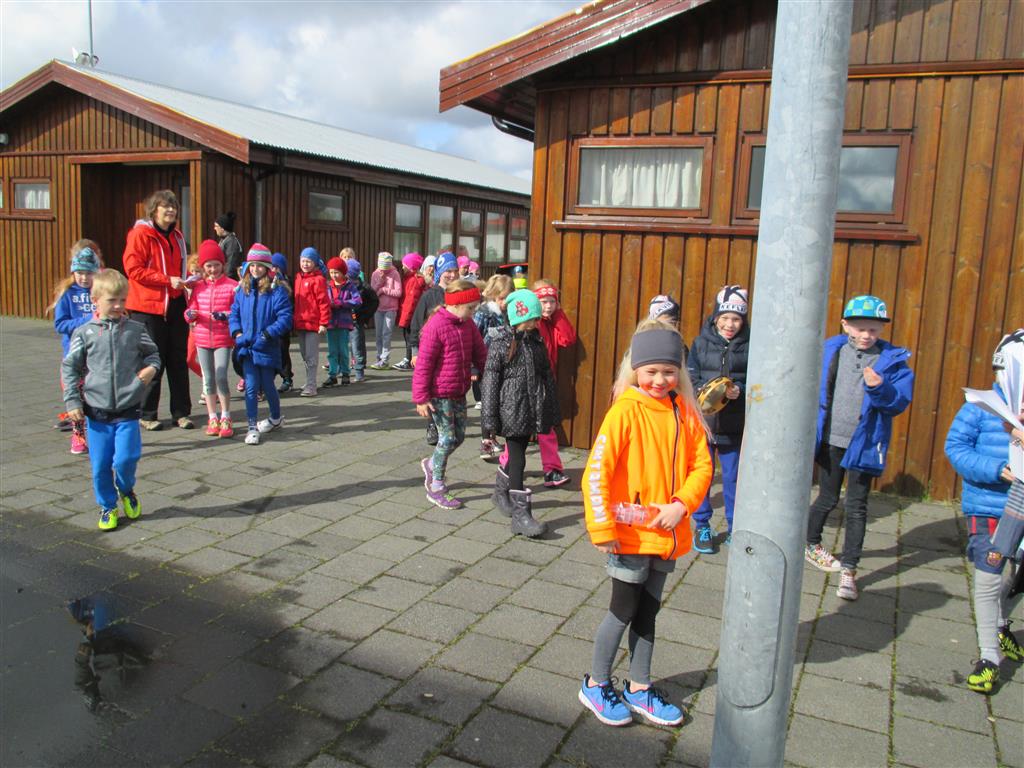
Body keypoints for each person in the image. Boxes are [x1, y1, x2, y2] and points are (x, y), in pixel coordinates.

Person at [579, 324, 712, 727]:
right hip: (630, 536)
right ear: (635, 369)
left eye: (668, 372)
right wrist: (602, 529)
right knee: (622, 610)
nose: (659, 380)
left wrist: (681, 504)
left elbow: (702, 465)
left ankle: (639, 687)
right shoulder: (625, 411)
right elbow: (596, 473)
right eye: (651, 371)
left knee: (648, 613)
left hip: (666, 536)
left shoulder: (684, 410)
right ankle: (596, 683)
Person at [804, 295, 914, 601]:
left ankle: (849, 570)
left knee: (856, 506)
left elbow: (898, 403)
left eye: (873, 330)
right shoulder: (830, 350)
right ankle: (810, 543)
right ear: (845, 325)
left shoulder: (892, 361)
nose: (866, 335)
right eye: (860, 328)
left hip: (864, 444)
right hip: (831, 440)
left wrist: (880, 387)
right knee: (827, 497)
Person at [945, 330, 1024, 694]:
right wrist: (995, 469)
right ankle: (989, 656)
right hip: (989, 506)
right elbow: (956, 448)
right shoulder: (980, 407)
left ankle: (1001, 622)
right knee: (989, 573)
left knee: (1019, 576)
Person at [61, 269, 161, 531]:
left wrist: (150, 371)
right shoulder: (84, 333)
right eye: (111, 300)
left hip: (128, 409)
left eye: (122, 300)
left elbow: (153, 355)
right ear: (95, 300)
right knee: (100, 466)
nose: (118, 306)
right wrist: (73, 402)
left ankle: (126, 489)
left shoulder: (136, 329)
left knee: (126, 459)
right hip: (97, 412)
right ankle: (107, 505)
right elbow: (70, 368)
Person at [481, 288, 559, 538]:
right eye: (532, 319)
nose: (536, 323)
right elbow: (490, 382)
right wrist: (489, 420)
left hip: (530, 409)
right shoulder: (501, 343)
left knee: (519, 454)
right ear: (519, 317)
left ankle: (500, 493)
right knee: (518, 459)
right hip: (512, 410)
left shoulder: (536, 341)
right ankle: (520, 515)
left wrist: (551, 409)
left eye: (536, 319)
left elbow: (546, 375)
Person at [412, 279, 487, 510]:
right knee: (446, 439)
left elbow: (480, 353)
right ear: (455, 304)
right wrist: (421, 398)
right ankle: (436, 486)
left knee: (459, 437)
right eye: (470, 308)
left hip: (458, 390)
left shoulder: (468, 324)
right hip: (438, 393)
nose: (473, 313)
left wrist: (490, 372)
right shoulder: (436, 326)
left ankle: (431, 463)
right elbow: (424, 365)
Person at [123, 189, 192, 431]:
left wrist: (189, 280)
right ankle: (147, 413)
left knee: (178, 360)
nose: (171, 210)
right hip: (148, 307)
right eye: (166, 206)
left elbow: (179, 269)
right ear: (154, 210)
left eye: (174, 207)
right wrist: (166, 280)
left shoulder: (178, 236)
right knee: (154, 360)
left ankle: (181, 413)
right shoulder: (140, 234)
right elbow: (133, 269)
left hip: (175, 303)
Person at [688, 286, 750, 553]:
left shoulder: (751, 345)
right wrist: (703, 389)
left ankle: (735, 526)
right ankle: (702, 525)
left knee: (734, 478)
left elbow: (756, 380)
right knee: (702, 475)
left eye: (736, 319)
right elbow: (690, 376)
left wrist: (739, 390)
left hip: (733, 427)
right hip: (703, 425)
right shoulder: (700, 343)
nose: (729, 324)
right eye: (724, 317)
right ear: (715, 318)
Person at [229, 245, 293, 445]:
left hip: (267, 347)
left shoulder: (276, 290)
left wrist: (267, 334)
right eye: (252, 265)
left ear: (267, 267)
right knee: (250, 387)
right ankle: (251, 427)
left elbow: (285, 318)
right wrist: (237, 333)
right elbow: (234, 313)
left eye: (259, 265)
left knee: (267, 385)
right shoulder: (243, 289)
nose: (255, 269)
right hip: (246, 348)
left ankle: (276, 418)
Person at [49, 241, 102, 454]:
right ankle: (78, 434)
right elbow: (60, 325)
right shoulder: (67, 294)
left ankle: (98, 433)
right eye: (79, 273)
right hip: (74, 355)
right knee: (76, 397)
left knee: (96, 397)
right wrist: (86, 320)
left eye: (89, 273)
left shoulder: (100, 292)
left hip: (97, 355)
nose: (84, 277)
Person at [521, 279, 575, 487]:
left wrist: (558, 314)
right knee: (519, 427)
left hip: (544, 382)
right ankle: (508, 466)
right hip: (525, 383)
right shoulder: (529, 322)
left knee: (546, 428)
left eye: (552, 302)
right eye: (544, 302)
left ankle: (552, 470)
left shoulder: (552, 322)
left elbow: (567, 339)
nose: (549, 306)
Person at [185, 240, 238, 438]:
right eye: (209, 265)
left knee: (221, 375)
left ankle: (226, 415)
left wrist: (225, 315)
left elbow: (237, 311)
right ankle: (212, 417)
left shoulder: (232, 286)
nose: (213, 269)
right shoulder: (198, 287)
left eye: (216, 265)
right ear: (203, 267)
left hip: (222, 338)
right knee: (208, 378)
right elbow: (190, 309)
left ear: (223, 265)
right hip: (202, 338)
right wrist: (189, 315)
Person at [411, 251, 461, 446]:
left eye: (455, 270)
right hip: (431, 350)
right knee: (431, 388)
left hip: (452, 352)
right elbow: (416, 324)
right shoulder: (430, 296)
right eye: (448, 271)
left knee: (449, 387)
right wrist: (415, 351)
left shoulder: (460, 294)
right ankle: (432, 425)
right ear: (440, 272)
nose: (452, 275)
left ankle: (450, 421)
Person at [473, 274, 514, 459]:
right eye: (501, 298)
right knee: (488, 404)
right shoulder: (484, 312)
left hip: (505, 365)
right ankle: (486, 442)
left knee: (499, 403)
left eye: (507, 298)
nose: (504, 302)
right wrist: (474, 368)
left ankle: (493, 437)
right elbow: (474, 339)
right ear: (493, 295)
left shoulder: (510, 312)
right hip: (486, 365)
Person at [292, 246, 330, 397]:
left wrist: (323, 323)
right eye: (303, 261)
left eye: (308, 261)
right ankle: (309, 381)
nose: (305, 264)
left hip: (314, 324)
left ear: (315, 263)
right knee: (304, 355)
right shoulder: (298, 278)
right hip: (301, 323)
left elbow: (324, 303)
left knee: (311, 356)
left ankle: (312, 385)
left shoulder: (318, 280)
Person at [323, 257, 362, 387]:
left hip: (344, 323)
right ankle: (332, 375)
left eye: (336, 272)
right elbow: (323, 300)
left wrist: (342, 303)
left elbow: (357, 301)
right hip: (331, 322)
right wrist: (329, 304)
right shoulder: (328, 286)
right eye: (331, 272)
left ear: (343, 272)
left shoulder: (350, 286)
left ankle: (345, 373)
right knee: (332, 351)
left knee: (343, 350)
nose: (334, 275)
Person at [369, 251, 403, 369]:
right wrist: (380, 282)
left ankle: (385, 360)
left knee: (386, 334)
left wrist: (384, 290)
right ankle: (379, 358)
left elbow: (398, 292)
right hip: (378, 308)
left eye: (386, 269)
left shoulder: (395, 274)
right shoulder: (375, 274)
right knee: (378, 334)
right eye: (381, 268)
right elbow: (372, 292)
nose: (383, 271)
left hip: (391, 309)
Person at [348, 255, 378, 382]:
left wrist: (365, 316)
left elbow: (374, 302)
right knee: (347, 346)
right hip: (344, 320)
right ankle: (345, 368)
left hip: (357, 321)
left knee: (357, 345)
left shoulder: (364, 288)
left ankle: (359, 370)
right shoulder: (343, 286)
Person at [393, 252, 426, 371]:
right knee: (409, 338)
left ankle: (409, 360)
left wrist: (405, 320)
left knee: (410, 339)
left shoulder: (414, 281)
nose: (402, 267)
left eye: (404, 265)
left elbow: (411, 303)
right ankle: (410, 359)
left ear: (411, 267)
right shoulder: (409, 279)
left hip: (411, 316)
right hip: (409, 315)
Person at [271, 252, 294, 393]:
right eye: (271, 267)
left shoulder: (286, 283)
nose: (273, 270)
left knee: (283, 351)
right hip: (270, 324)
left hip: (283, 326)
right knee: (270, 353)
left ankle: (287, 378)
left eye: (276, 267)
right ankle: (267, 380)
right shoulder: (266, 283)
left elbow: (290, 302)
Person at [214, 212, 243, 279]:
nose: (214, 228)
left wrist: (225, 280)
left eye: (216, 226)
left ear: (222, 228)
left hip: (229, 280)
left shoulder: (231, 242)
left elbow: (231, 265)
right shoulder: (224, 240)